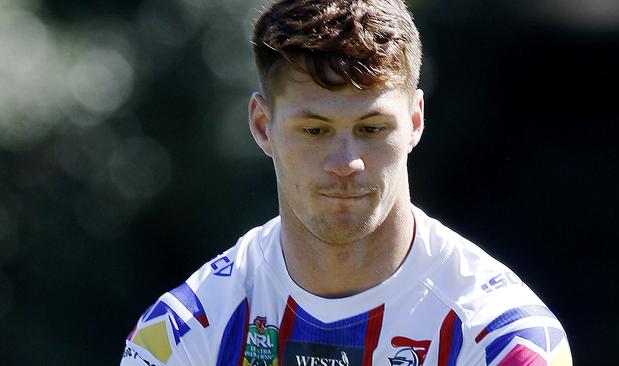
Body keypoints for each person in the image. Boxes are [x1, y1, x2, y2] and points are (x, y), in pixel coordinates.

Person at [120, 1, 572, 365]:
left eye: (372, 128)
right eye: (314, 130)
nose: (346, 162)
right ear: (262, 126)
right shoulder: (184, 336)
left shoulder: (503, 342)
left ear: (415, 122)